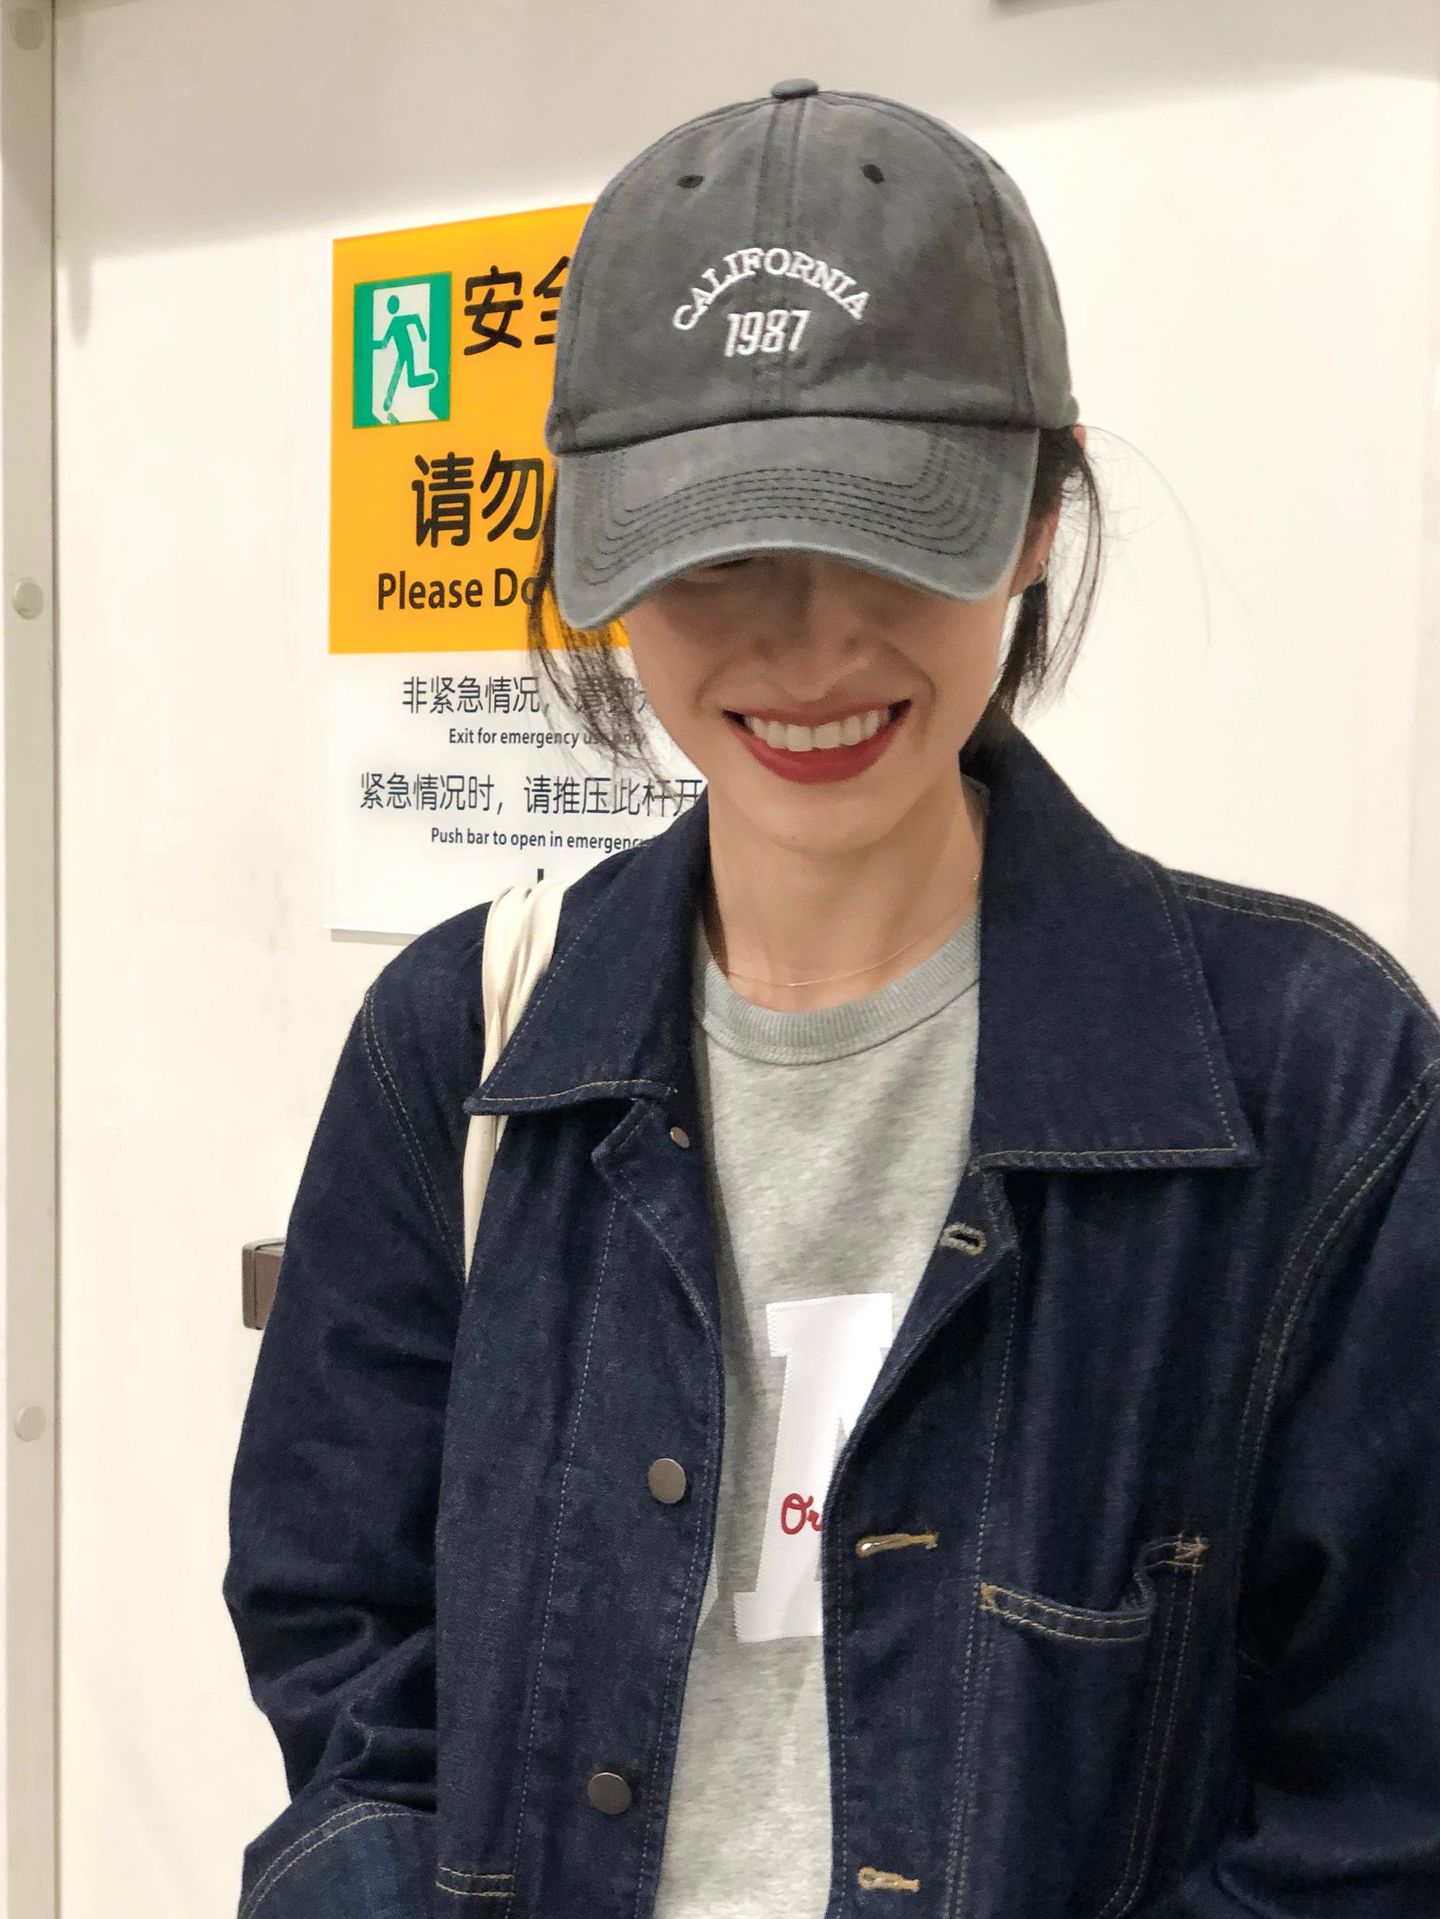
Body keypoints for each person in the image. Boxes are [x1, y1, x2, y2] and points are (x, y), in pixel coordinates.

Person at [223, 81, 1440, 1919]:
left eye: (893, 532)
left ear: (1036, 514)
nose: (811, 646)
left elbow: (1384, 1799)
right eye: (716, 552)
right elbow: (342, 1634)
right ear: (593, 546)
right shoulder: (456, 1043)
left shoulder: (1316, 1084)